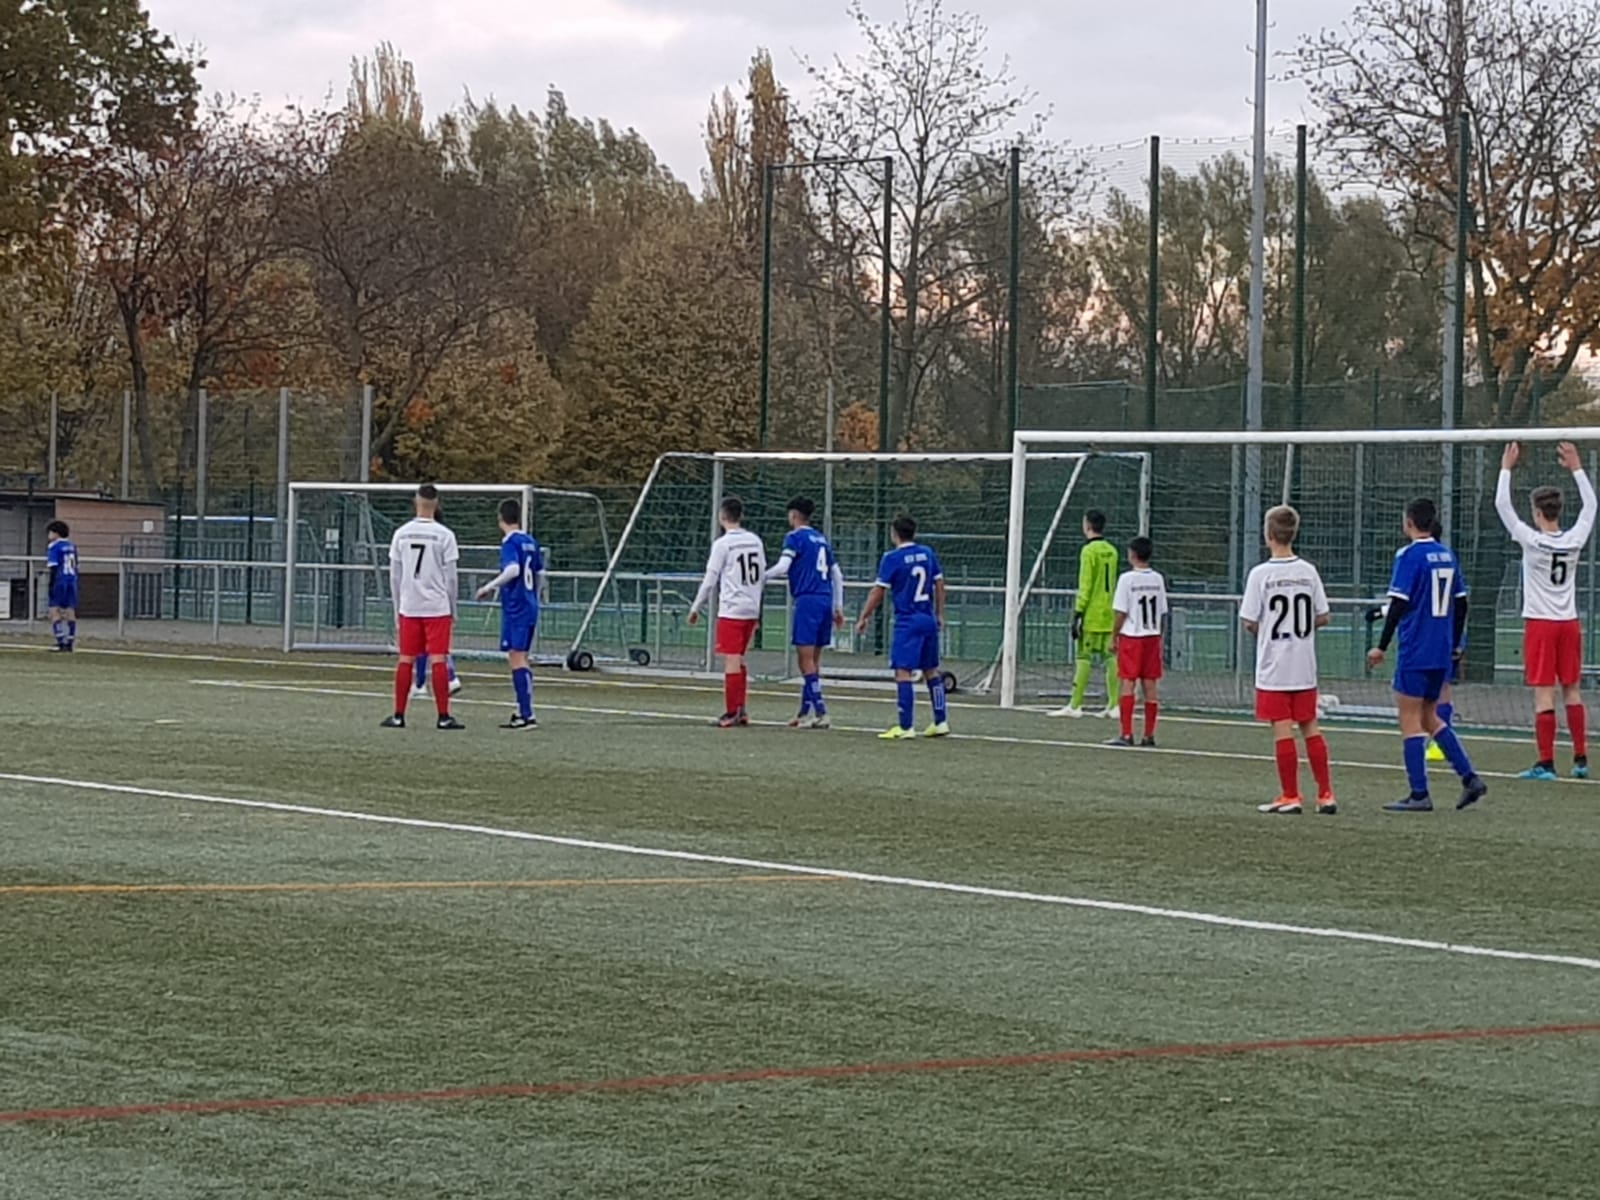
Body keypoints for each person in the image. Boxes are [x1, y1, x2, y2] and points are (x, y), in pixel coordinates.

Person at [1366, 498, 1486, 812]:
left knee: (1410, 719)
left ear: (1409, 522)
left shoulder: (1409, 556)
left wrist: (1381, 645)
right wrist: (1455, 644)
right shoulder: (1447, 555)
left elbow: (1398, 605)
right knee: (1430, 717)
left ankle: (1419, 793)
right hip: (1441, 649)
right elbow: (1461, 604)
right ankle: (1470, 778)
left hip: (1416, 648)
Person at [1494, 440, 1597, 780]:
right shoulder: (1575, 539)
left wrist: (1506, 468)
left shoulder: (1531, 540)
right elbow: (1591, 505)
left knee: (1544, 693)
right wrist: (1577, 468)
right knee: (1572, 690)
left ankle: (1546, 763)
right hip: (1569, 623)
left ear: (1538, 513)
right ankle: (1580, 760)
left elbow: (1502, 505)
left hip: (1541, 624)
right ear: (1558, 511)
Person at [1240, 506, 1337, 815]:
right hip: (1304, 664)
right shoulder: (1308, 571)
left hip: (1274, 667)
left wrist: (1268, 629)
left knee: (1283, 729)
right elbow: (1324, 616)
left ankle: (1290, 795)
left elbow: (1249, 620)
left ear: (1268, 534)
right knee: (1311, 726)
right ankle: (1326, 794)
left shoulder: (1260, 574)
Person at [856, 514, 949, 740]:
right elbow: (939, 583)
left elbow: (878, 591)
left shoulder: (892, 558)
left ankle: (906, 726)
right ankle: (941, 721)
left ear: (894, 534)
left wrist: (863, 616)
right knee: (931, 670)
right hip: (927, 618)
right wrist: (939, 613)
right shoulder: (927, 553)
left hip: (907, 621)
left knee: (902, 671)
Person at [382, 484, 464, 730]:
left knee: (405, 659)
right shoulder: (445, 535)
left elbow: (394, 576)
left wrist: (398, 606)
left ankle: (398, 715)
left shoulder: (401, 534)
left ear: (415, 502)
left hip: (410, 605)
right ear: (436, 504)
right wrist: (452, 607)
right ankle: (443, 716)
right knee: (438, 659)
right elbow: (451, 578)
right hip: (436, 607)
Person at [763, 497, 845, 729]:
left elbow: (783, 567)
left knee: (804, 659)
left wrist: (761, 577)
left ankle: (821, 711)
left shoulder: (795, 538)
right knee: (813, 661)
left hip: (808, 600)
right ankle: (803, 712)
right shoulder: (821, 539)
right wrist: (838, 606)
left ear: (793, 515)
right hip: (825, 599)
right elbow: (837, 575)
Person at [688, 496, 767, 728]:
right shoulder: (755, 540)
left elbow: (710, 578)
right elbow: (762, 575)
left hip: (732, 609)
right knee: (739, 659)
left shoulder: (723, 544)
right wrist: (757, 606)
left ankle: (732, 711)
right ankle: (741, 709)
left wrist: (696, 606)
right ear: (740, 516)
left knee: (731, 659)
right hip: (751, 607)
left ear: (722, 516)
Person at [475, 497, 545, 730]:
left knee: (516, 657)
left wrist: (489, 587)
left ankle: (526, 714)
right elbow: (539, 573)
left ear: (500, 519)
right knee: (521, 656)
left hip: (517, 607)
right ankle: (522, 710)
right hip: (530, 604)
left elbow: (513, 569)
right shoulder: (530, 541)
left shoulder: (510, 542)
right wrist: (535, 595)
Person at [1050, 510, 1120, 719]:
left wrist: (1078, 612)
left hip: (1091, 614)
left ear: (1087, 526)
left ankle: (1075, 705)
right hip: (1109, 613)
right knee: (1110, 657)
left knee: (1083, 657)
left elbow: (1086, 584)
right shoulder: (1112, 551)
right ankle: (1114, 705)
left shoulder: (1088, 551)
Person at [1107, 536, 1166, 748]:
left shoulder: (1127, 579)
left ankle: (1126, 733)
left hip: (1132, 636)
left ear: (1132, 554)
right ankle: (1149, 735)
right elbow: (1162, 612)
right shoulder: (1158, 579)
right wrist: (1159, 636)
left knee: (1128, 682)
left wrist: (1113, 636)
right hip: (1152, 635)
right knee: (1150, 684)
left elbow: (1121, 612)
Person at [44, 520, 79, 652]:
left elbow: (53, 567)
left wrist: (51, 584)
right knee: (70, 610)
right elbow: (76, 565)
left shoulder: (54, 547)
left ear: (56, 533)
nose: (48, 535)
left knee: (54, 609)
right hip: (72, 580)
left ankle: (60, 641)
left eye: (50, 532)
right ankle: (70, 641)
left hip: (60, 580)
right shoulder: (72, 546)